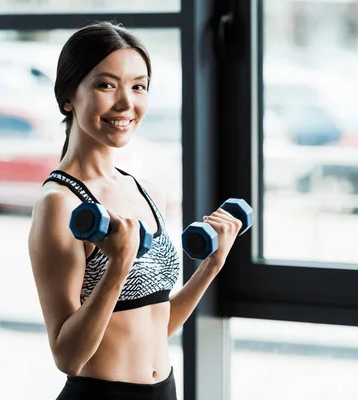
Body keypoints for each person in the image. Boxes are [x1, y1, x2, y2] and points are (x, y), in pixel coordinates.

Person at [28, 21, 243, 400]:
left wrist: (211, 266)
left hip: (164, 390)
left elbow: (155, 323)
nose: (126, 103)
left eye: (138, 86)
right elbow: (68, 356)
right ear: (68, 97)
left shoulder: (143, 190)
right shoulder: (58, 205)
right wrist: (118, 267)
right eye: (107, 85)